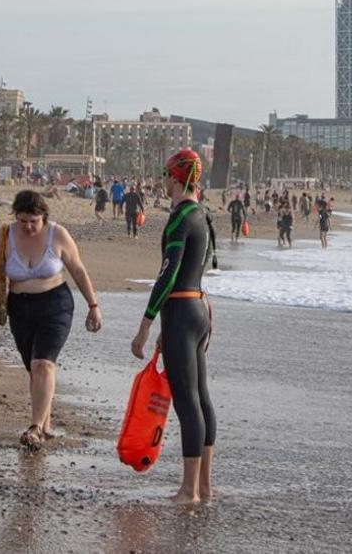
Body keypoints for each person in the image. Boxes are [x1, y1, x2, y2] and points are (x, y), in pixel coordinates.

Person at [0, 190, 102, 449]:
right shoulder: (5, 235)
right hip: (19, 308)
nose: (27, 226)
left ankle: (35, 428)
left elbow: (78, 270)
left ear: (43, 217)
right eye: (22, 220)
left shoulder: (58, 234)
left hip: (55, 305)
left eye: (33, 221)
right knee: (33, 369)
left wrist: (93, 305)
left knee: (43, 364)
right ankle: (44, 425)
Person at [131, 149, 217, 504]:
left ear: (177, 178)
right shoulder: (202, 215)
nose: (163, 182)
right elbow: (204, 264)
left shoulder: (182, 217)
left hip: (181, 309)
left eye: (166, 175)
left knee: (187, 401)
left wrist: (146, 324)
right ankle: (205, 486)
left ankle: (188, 490)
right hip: (197, 309)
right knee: (202, 398)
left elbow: (167, 274)